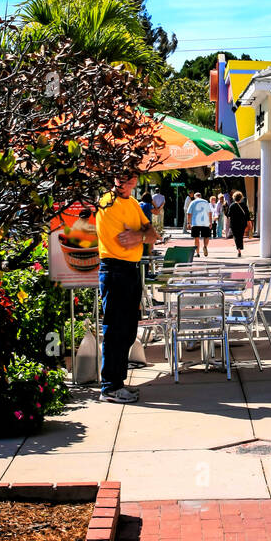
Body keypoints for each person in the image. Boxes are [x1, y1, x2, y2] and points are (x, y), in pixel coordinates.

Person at [96, 173, 159, 403]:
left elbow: (153, 235)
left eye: (133, 178)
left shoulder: (132, 203)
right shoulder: (107, 202)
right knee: (115, 329)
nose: (129, 183)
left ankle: (117, 383)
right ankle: (110, 387)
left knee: (129, 329)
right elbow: (124, 239)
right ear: (114, 177)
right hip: (114, 269)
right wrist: (142, 234)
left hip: (130, 269)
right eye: (125, 178)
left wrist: (139, 235)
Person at [228, 191, 252, 258]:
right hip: (242, 223)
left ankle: (238, 250)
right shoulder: (244, 205)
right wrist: (249, 223)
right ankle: (240, 247)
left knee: (236, 236)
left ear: (234, 197)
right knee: (240, 236)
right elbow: (247, 215)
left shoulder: (232, 205)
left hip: (234, 224)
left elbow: (229, 215)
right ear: (241, 197)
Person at [189, 190, 212, 256]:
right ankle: (205, 246)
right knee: (206, 236)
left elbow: (189, 213)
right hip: (205, 222)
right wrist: (210, 222)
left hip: (195, 223)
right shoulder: (206, 202)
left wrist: (188, 223)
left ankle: (198, 253)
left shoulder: (193, 202)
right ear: (201, 196)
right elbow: (210, 212)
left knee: (196, 238)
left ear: (195, 196)